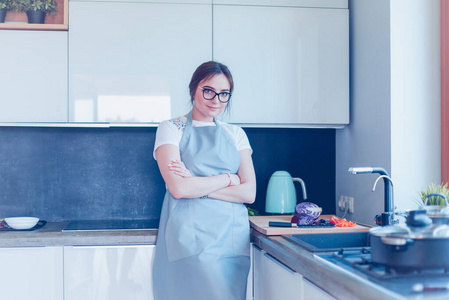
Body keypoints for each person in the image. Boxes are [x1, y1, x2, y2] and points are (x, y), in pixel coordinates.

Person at [152, 61, 256, 300]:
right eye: (208, 90)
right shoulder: (170, 129)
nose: (216, 100)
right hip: (189, 238)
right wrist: (229, 178)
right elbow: (178, 188)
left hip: (231, 238)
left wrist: (196, 183)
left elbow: (248, 193)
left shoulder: (236, 134)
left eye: (224, 94)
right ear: (193, 90)